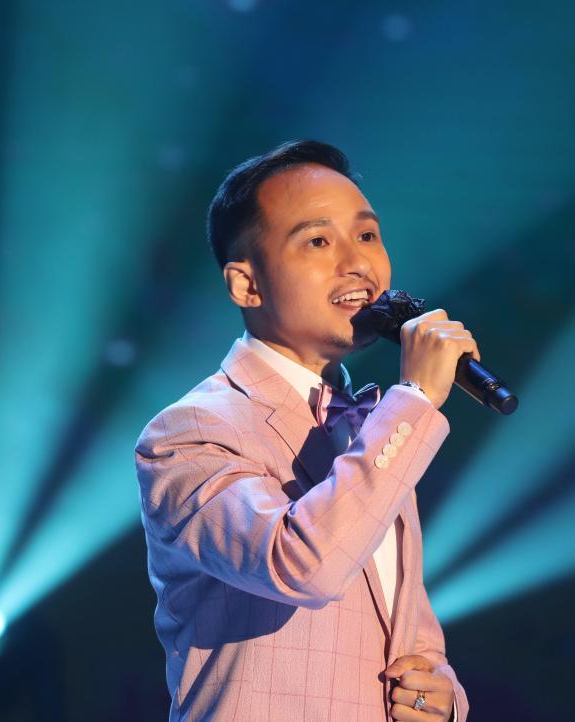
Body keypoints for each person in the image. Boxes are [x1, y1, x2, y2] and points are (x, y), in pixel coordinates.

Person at [135, 139, 478, 722]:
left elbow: (410, 637)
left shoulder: (370, 424)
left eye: (366, 235)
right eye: (318, 241)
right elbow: (302, 566)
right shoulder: (190, 433)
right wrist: (416, 398)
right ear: (246, 285)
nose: (357, 263)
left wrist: (440, 696)